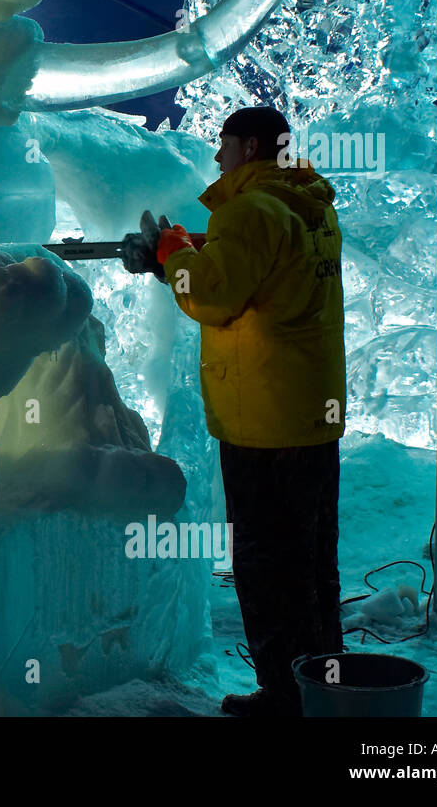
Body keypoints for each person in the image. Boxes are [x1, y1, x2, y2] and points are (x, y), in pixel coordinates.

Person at [152, 106, 347, 717]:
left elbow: (211, 294)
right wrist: (191, 248)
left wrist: (172, 257)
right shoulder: (311, 205)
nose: (217, 157)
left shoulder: (251, 210)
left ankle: (284, 696)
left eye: (225, 145)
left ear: (252, 146)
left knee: (266, 563)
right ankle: (325, 681)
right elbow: (263, 268)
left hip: (263, 419)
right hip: (311, 413)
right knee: (312, 559)